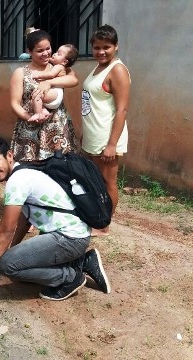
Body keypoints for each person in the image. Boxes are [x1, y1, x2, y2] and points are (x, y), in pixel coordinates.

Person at [0, 137, 110, 305]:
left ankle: (70, 277)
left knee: (8, 265)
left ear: (9, 155)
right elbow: (24, 222)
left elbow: (6, 229)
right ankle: (82, 261)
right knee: (13, 260)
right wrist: (12, 250)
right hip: (74, 234)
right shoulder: (24, 172)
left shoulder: (17, 181)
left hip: (69, 238)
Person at [80, 25, 130, 236]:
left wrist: (111, 144)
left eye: (106, 47)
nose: (101, 51)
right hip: (93, 135)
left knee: (108, 182)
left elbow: (122, 109)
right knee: (94, 181)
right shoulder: (97, 68)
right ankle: (96, 218)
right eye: (97, 47)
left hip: (107, 138)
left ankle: (104, 225)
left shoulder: (117, 70)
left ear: (116, 47)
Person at [10, 29, 79, 163]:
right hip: (30, 130)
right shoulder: (21, 72)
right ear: (29, 51)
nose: (46, 53)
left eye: (48, 48)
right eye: (39, 50)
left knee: (61, 171)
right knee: (29, 171)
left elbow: (74, 80)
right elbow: (14, 104)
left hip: (58, 128)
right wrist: (30, 117)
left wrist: (48, 82)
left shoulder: (58, 66)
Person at [29, 44, 79, 121]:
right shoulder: (56, 66)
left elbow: (51, 74)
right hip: (54, 94)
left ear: (65, 61)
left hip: (56, 92)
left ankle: (38, 114)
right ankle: (44, 110)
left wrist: (38, 75)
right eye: (56, 52)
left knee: (37, 96)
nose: (54, 54)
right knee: (35, 99)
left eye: (59, 54)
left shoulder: (59, 67)